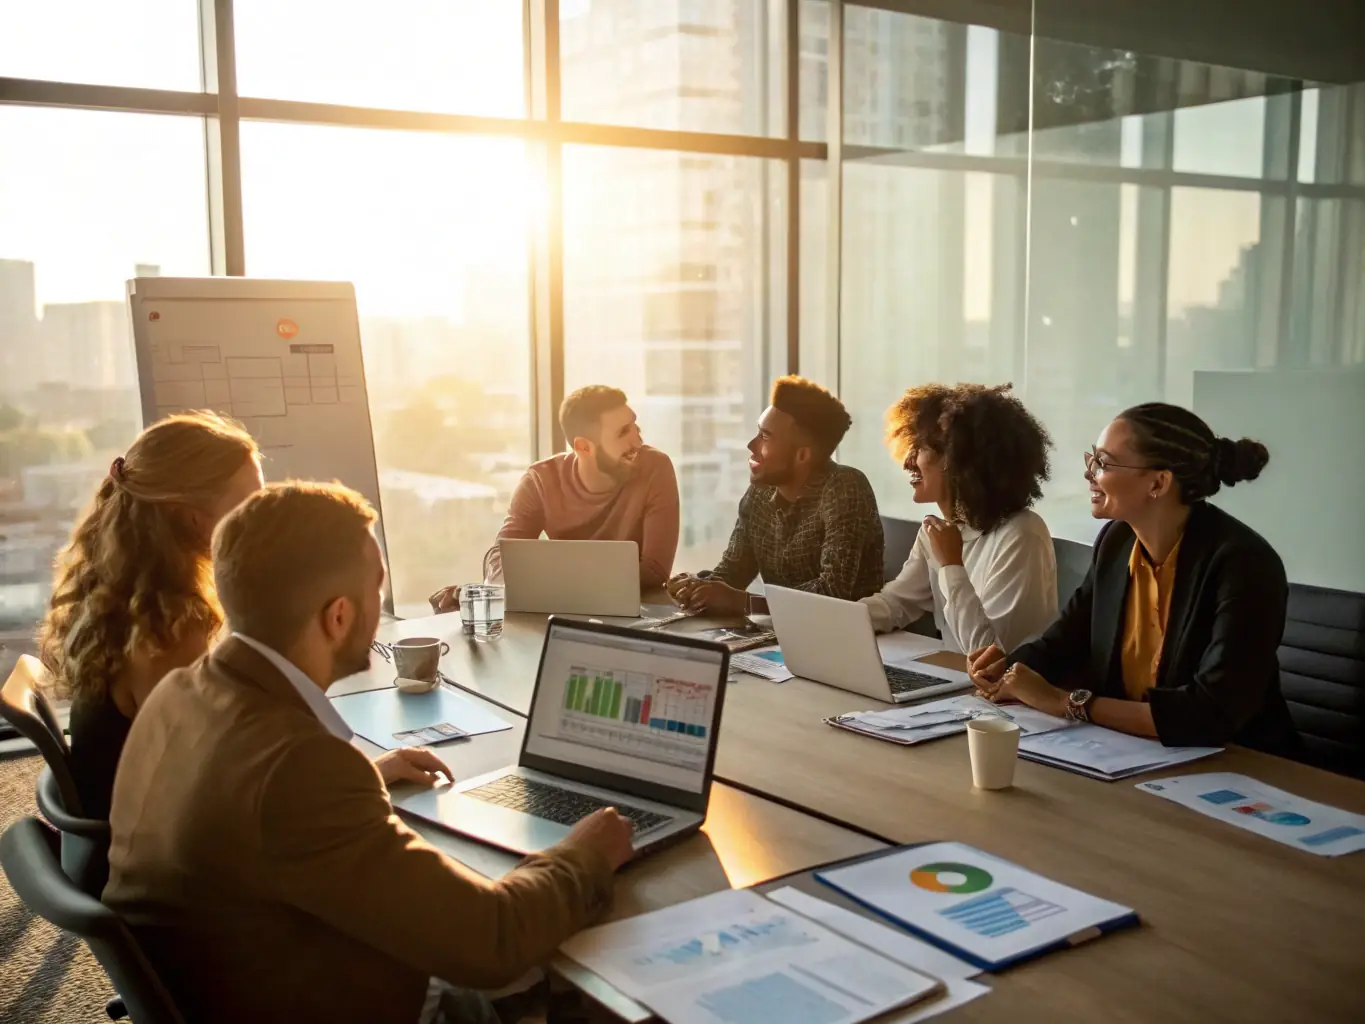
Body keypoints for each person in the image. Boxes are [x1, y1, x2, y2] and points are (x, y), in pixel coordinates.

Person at [103, 481, 635, 1023]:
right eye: (375, 591)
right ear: (336, 617)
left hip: (235, 978)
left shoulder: (181, 691)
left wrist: (368, 778)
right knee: (571, 971)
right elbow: (492, 940)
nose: (381, 608)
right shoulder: (300, 770)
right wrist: (584, 854)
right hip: (327, 999)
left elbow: (254, 815)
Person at [968, 403, 1298, 754]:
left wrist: (1066, 702)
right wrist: (1009, 668)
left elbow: (1210, 712)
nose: (1089, 474)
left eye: (1104, 463)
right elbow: (1063, 642)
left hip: (1244, 766)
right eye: (1092, 459)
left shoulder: (1243, 563)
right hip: (1136, 754)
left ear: (1158, 482)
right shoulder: (1117, 541)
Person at [37, 411, 262, 819]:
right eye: (250, 504)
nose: (262, 518)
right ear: (194, 517)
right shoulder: (170, 631)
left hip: (132, 829)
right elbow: (213, 786)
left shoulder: (119, 594)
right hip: (155, 859)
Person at [431, 385, 678, 610]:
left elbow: (655, 572)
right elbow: (502, 560)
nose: (637, 439)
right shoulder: (541, 480)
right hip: (562, 613)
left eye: (635, 426)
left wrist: (551, 578)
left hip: (638, 614)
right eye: (623, 432)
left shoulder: (656, 467)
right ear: (583, 447)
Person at [862, 383, 1058, 653]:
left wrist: (951, 564)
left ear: (958, 462)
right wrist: (834, 619)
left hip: (1003, 691)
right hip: (956, 682)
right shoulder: (939, 531)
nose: (909, 461)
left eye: (920, 448)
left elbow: (988, 654)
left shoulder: (1022, 533)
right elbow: (897, 603)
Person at [668, 376, 882, 615]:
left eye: (765, 436)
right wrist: (696, 588)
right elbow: (733, 572)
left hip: (849, 637)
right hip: (779, 635)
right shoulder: (761, 492)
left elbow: (833, 592)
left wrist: (745, 603)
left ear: (802, 455)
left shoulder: (845, 488)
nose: (752, 445)